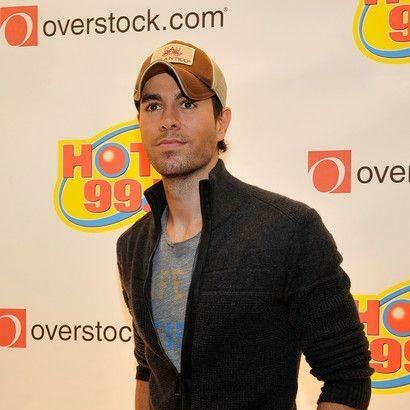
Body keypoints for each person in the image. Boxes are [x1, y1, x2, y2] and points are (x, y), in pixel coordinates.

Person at [116, 39, 373, 410]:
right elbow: (148, 367)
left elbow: (347, 376)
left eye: (187, 103)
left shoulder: (288, 230)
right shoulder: (133, 244)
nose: (168, 120)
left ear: (221, 122)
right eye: (153, 105)